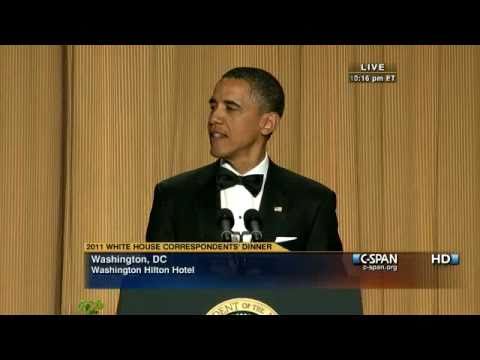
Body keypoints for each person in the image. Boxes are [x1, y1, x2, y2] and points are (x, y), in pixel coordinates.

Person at [146, 67, 342, 251]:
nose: (214, 118)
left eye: (230, 108)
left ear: (267, 123)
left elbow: (333, 286)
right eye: (213, 106)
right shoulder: (174, 196)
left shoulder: (312, 202)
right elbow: (147, 283)